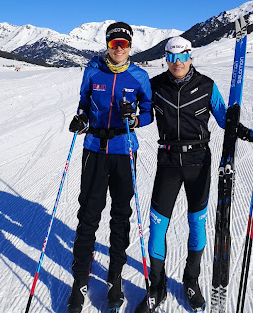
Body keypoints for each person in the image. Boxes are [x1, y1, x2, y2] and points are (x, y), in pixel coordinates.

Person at [135, 36, 253, 313]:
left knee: (196, 223)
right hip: (168, 159)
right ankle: (157, 286)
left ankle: (190, 280)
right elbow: (144, 114)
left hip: (198, 160)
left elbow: (225, 119)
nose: (177, 63)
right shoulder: (155, 85)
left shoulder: (207, 86)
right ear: (166, 59)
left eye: (181, 57)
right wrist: (128, 116)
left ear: (190, 56)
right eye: (171, 58)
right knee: (157, 224)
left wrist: (250, 135)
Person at [67, 22, 153, 313]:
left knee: (120, 214)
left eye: (124, 44)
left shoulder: (139, 76)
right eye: (114, 44)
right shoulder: (92, 71)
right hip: (94, 149)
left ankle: (114, 276)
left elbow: (149, 112)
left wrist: (135, 120)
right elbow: (83, 103)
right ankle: (79, 280)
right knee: (89, 214)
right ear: (107, 45)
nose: (119, 49)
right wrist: (80, 119)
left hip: (124, 150)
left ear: (130, 46)